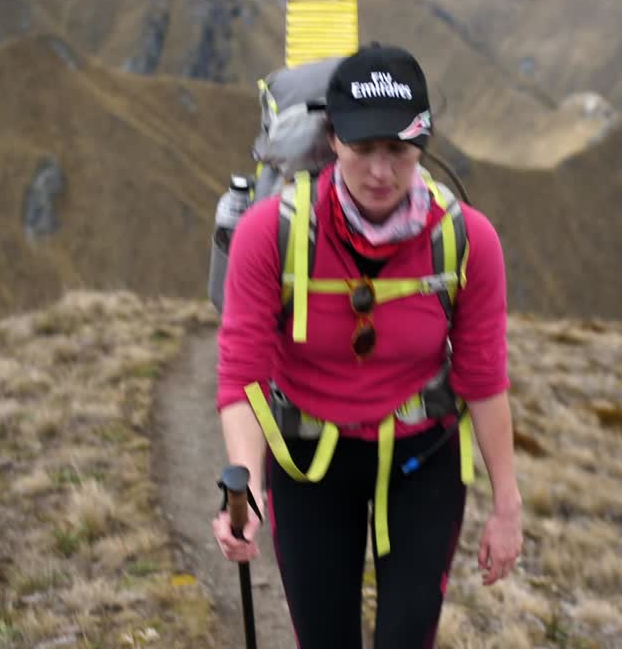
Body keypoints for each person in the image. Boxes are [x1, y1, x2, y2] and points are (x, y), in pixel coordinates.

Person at [211, 43, 522, 648]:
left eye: (399, 151)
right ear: (333, 141)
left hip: (422, 462)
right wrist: (244, 486)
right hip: (309, 462)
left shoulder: (466, 240)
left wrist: (507, 504)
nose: (381, 171)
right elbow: (242, 377)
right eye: (363, 148)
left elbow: (483, 379)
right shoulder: (268, 235)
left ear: (421, 148)